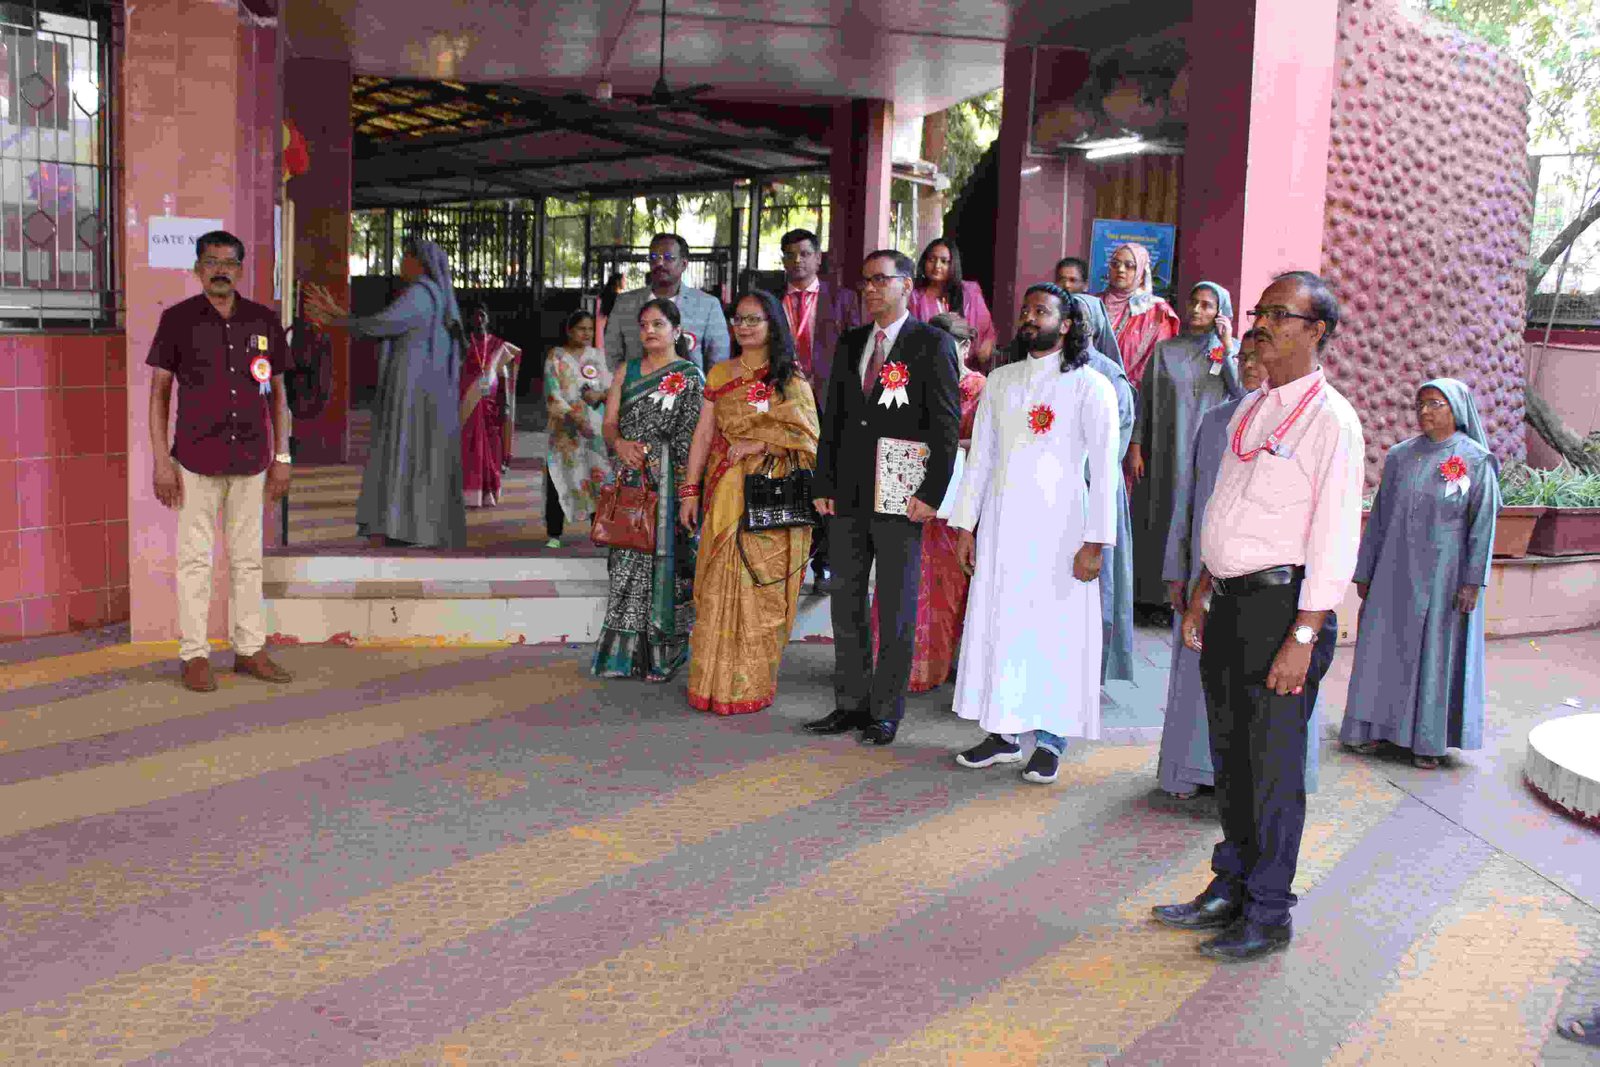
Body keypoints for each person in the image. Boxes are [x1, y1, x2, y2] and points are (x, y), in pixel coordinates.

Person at [1153, 271, 1364, 962]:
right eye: (1260, 311)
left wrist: (1303, 636)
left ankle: (1269, 911)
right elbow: (1227, 511)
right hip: (1230, 603)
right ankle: (1232, 883)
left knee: (1272, 769)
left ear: (1317, 332)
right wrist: (1203, 591)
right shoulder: (1253, 408)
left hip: (1283, 611)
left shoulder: (1332, 420)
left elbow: (1335, 537)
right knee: (1231, 758)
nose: (1262, 324)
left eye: (1280, 313)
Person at [948, 284, 1119, 784]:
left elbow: (1104, 473)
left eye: (1040, 311)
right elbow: (980, 460)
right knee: (1001, 626)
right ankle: (1002, 733)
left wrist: (1095, 542)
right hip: (1003, 529)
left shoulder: (1092, 386)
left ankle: (1049, 740)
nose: (1028, 317)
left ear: (1066, 325)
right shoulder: (1000, 381)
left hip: (1064, 533)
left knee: (1056, 635)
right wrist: (965, 525)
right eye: (1025, 310)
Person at [805, 249, 961, 746]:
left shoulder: (931, 344)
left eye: (880, 280)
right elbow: (834, 420)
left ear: (906, 285)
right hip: (848, 493)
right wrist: (823, 483)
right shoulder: (852, 342)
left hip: (901, 492)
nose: (870, 289)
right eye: (865, 282)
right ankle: (849, 703)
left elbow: (946, 424)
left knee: (895, 604)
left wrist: (932, 492)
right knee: (846, 600)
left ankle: (885, 711)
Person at [1157, 333, 1322, 799]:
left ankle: (1251, 791)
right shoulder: (1215, 421)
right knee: (1201, 678)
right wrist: (1176, 569)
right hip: (1206, 575)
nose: (1249, 365)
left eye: (1257, 356)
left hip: (1272, 585)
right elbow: (1188, 499)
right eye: (1242, 357)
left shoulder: (1307, 421)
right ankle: (1193, 770)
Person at [147, 229, 294, 692]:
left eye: (229, 263)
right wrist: (161, 462)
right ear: (197, 269)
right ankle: (194, 655)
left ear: (240, 270)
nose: (220, 271)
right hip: (195, 458)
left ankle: (249, 649)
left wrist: (282, 456)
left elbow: (279, 394)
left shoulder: (263, 321)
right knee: (195, 560)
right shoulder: (177, 320)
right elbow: (159, 394)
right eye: (211, 262)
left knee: (248, 560)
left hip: (251, 457)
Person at [1339, 378, 1499, 769]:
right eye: (1420, 404)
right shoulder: (1400, 456)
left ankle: (1427, 741)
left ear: (1456, 409)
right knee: (1382, 649)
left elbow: (1482, 525)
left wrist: (1472, 581)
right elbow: (1380, 516)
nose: (1424, 411)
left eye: (1434, 404)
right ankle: (1372, 729)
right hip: (1393, 571)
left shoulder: (1475, 460)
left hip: (1445, 578)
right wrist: (1365, 569)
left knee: (1434, 656)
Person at [681, 290, 819, 714]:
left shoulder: (789, 379)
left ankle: (749, 686)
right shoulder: (720, 374)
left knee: (760, 589)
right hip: (725, 491)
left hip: (771, 497)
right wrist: (689, 490)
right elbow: (704, 434)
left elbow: (809, 439)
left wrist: (761, 442)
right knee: (717, 584)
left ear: (772, 324)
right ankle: (711, 684)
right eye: (738, 319)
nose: (743, 326)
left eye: (753, 319)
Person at [306, 237, 467, 549]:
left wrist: (336, 319)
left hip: (412, 388)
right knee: (419, 455)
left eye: (404, 257)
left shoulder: (421, 295)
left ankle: (405, 526)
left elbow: (382, 324)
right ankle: (413, 525)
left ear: (417, 262)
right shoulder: (435, 295)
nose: (401, 264)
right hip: (426, 388)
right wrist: (339, 315)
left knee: (406, 451)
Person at [870, 311, 987, 693]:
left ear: (965, 347)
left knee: (947, 587)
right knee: (902, 579)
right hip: (910, 491)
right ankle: (892, 666)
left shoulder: (981, 388)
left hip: (955, 500)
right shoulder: (910, 377)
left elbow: (989, 443)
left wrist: (945, 443)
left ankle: (939, 666)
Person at [592, 298, 706, 681]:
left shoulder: (690, 377)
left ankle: (664, 654)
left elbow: (697, 438)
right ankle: (623, 656)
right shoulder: (626, 371)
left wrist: (681, 481)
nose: (649, 331)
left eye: (658, 324)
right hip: (631, 482)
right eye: (643, 325)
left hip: (670, 486)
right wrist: (620, 445)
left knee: (671, 570)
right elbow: (610, 424)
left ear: (677, 331)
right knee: (625, 563)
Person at [1127, 282, 1244, 611]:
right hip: (1166, 446)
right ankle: (1153, 597)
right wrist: (1136, 445)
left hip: (1207, 449)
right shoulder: (1165, 350)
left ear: (1221, 312)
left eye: (1207, 305)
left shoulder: (1229, 352)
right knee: (1160, 514)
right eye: (1194, 302)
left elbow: (1240, 392)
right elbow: (1145, 400)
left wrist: (1226, 345)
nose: (1196, 309)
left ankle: (1190, 598)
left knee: (1198, 516)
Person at [769, 227, 862, 587]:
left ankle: (826, 560)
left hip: (829, 400)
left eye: (805, 254)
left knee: (828, 479)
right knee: (787, 477)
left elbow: (858, 351)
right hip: (782, 400)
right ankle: (786, 557)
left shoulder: (842, 299)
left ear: (818, 258)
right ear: (783, 260)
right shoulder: (771, 300)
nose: (798, 261)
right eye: (790, 255)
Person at [1073, 292, 1136, 683]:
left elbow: (1116, 444)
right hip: (1054, 493)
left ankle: (1088, 674)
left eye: (1082, 317)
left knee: (1096, 589)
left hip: (1094, 489)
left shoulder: (1110, 375)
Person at [602, 234, 730, 372]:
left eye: (668, 258)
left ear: (684, 264)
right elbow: (612, 355)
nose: (659, 263)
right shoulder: (624, 304)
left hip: (689, 385)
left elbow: (718, 360)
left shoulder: (708, 305)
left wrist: (699, 385)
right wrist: (625, 382)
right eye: (653, 257)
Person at [543, 310, 612, 548]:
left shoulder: (598, 357)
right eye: (581, 328)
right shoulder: (556, 357)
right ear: (569, 330)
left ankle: (599, 530)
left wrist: (601, 395)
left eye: (590, 329)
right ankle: (554, 533)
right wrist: (576, 419)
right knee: (559, 478)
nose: (587, 333)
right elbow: (553, 394)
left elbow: (611, 387)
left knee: (598, 478)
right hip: (565, 432)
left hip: (595, 431)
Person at [1095, 242, 1180, 389]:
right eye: (1115, 264)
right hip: (1090, 387)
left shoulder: (1157, 312)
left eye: (1129, 266)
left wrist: (1125, 388)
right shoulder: (1094, 303)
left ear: (1141, 274)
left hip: (1134, 393)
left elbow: (1156, 363)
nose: (1120, 269)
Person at [460, 304, 519, 508]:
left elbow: (504, 374)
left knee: (492, 449)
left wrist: (506, 404)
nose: (479, 319)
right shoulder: (464, 343)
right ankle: (471, 494)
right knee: (470, 448)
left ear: (488, 318)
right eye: (474, 315)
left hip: (491, 405)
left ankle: (489, 491)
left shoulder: (497, 345)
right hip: (467, 405)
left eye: (482, 315)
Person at [908, 237, 996, 369]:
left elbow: (987, 330)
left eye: (944, 261)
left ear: (953, 264)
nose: (937, 266)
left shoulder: (970, 292)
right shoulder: (914, 298)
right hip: (929, 366)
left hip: (967, 368)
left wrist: (987, 344)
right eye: (932, 260)